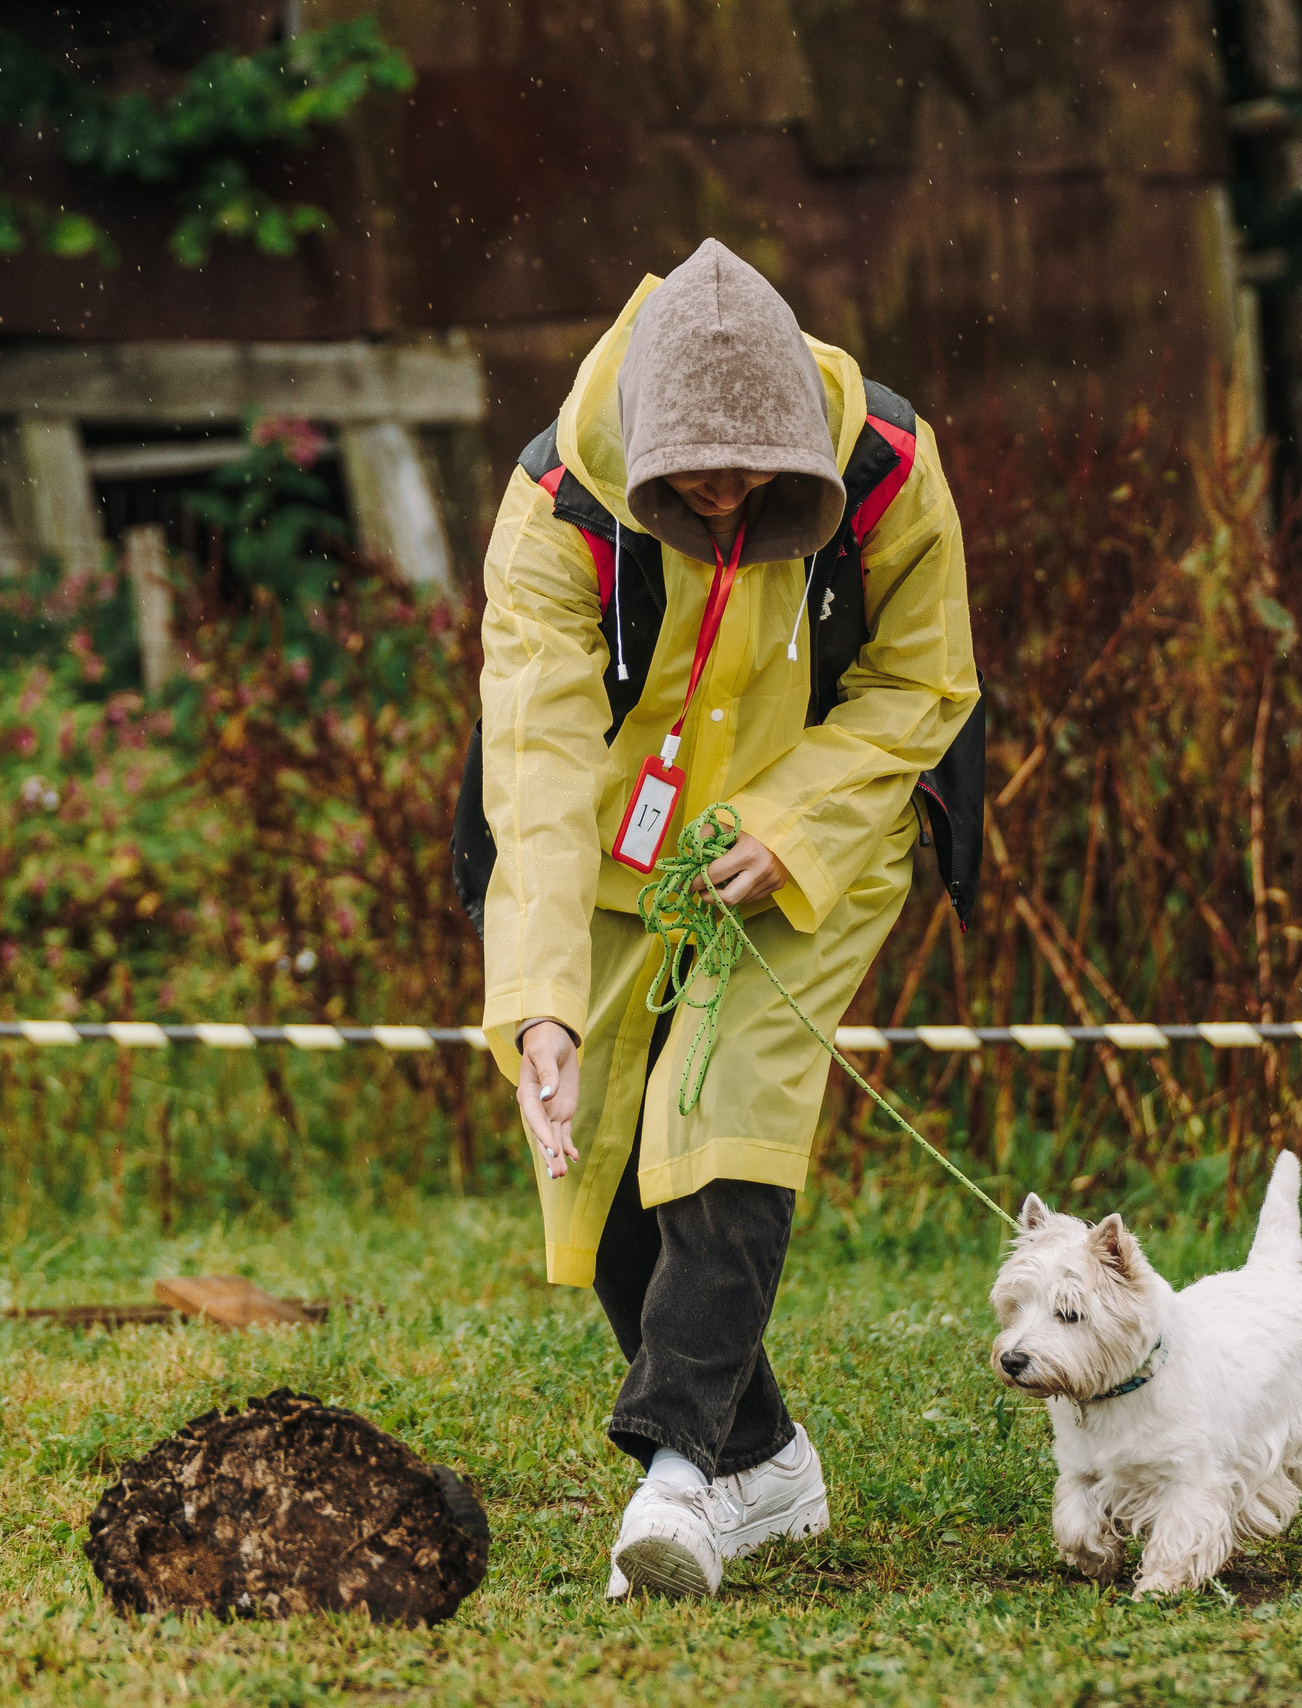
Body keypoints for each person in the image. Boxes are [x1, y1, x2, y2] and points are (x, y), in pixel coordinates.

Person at [454, 238, 981, 1600]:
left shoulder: (894, 473)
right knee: (603, 1148)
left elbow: (924, 689)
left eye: (756, 476)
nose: (728, 498)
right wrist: (544, 1007)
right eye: (696, 480)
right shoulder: (554, 509)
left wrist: (790, 825)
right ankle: (765, 1457)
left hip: (822, 828)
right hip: (614, 842)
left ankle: (680, 1477)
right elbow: (541, 764)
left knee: (731, 1101)